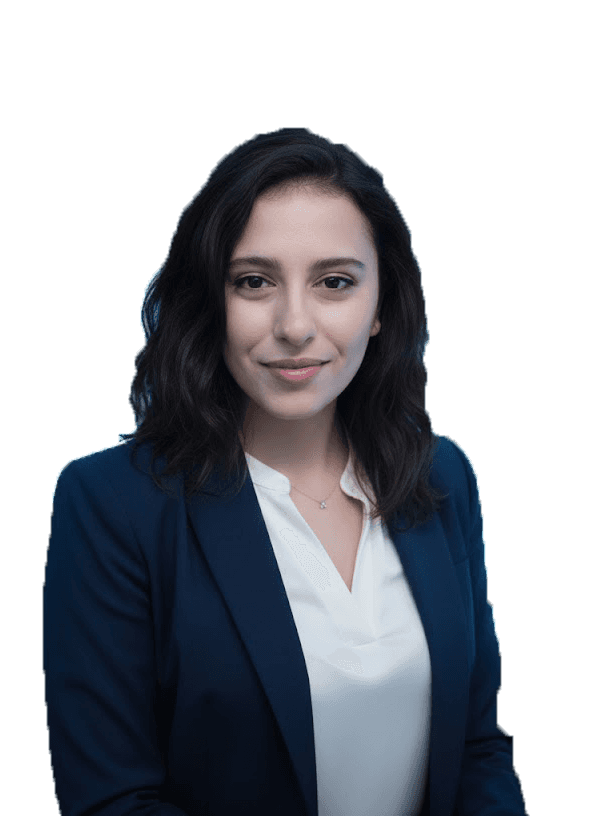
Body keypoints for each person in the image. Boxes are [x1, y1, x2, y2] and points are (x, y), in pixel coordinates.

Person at [42, 127, 529, 816]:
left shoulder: (442, 476)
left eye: (334, 282)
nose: (294, 324)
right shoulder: (113, 505)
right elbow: (114, 799)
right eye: (254, 281)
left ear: (382, 304)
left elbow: (477, 747)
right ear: (211, 302)